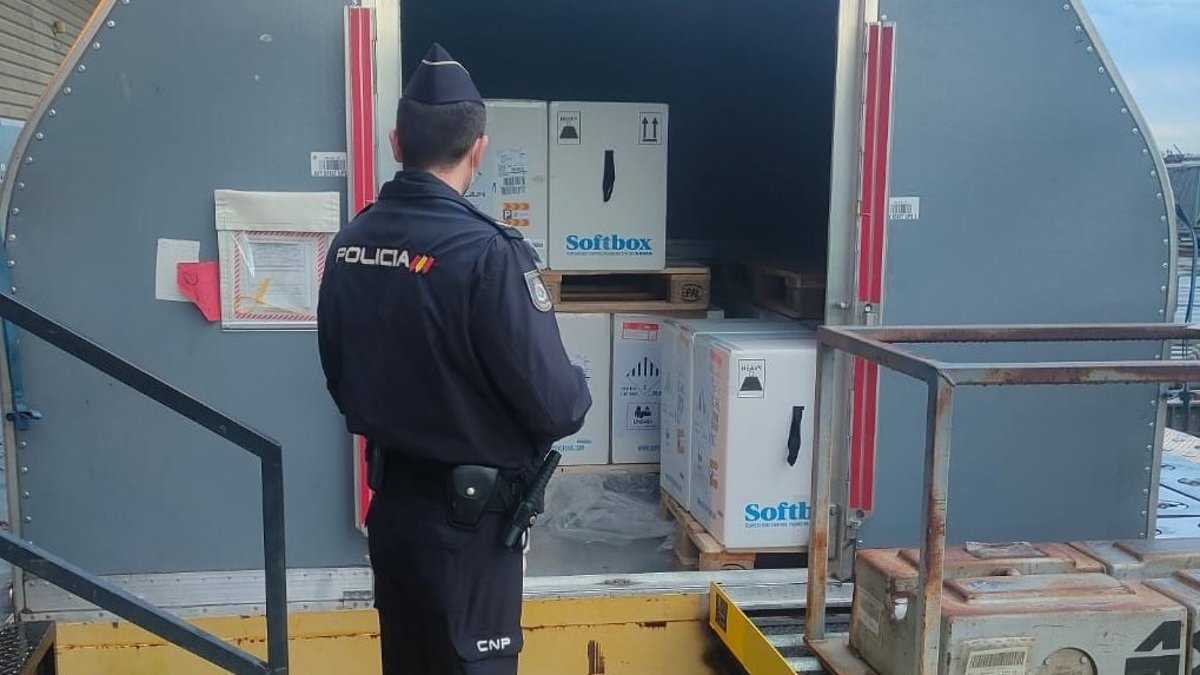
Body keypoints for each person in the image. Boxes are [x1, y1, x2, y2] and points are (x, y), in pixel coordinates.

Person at [316, 43, 591, 675]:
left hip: (393, 514)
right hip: (470, 529)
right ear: (478, 149)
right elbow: (558, 406)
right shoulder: (488, 254)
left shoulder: (350, 244)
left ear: (396, 143)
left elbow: (339, 375)